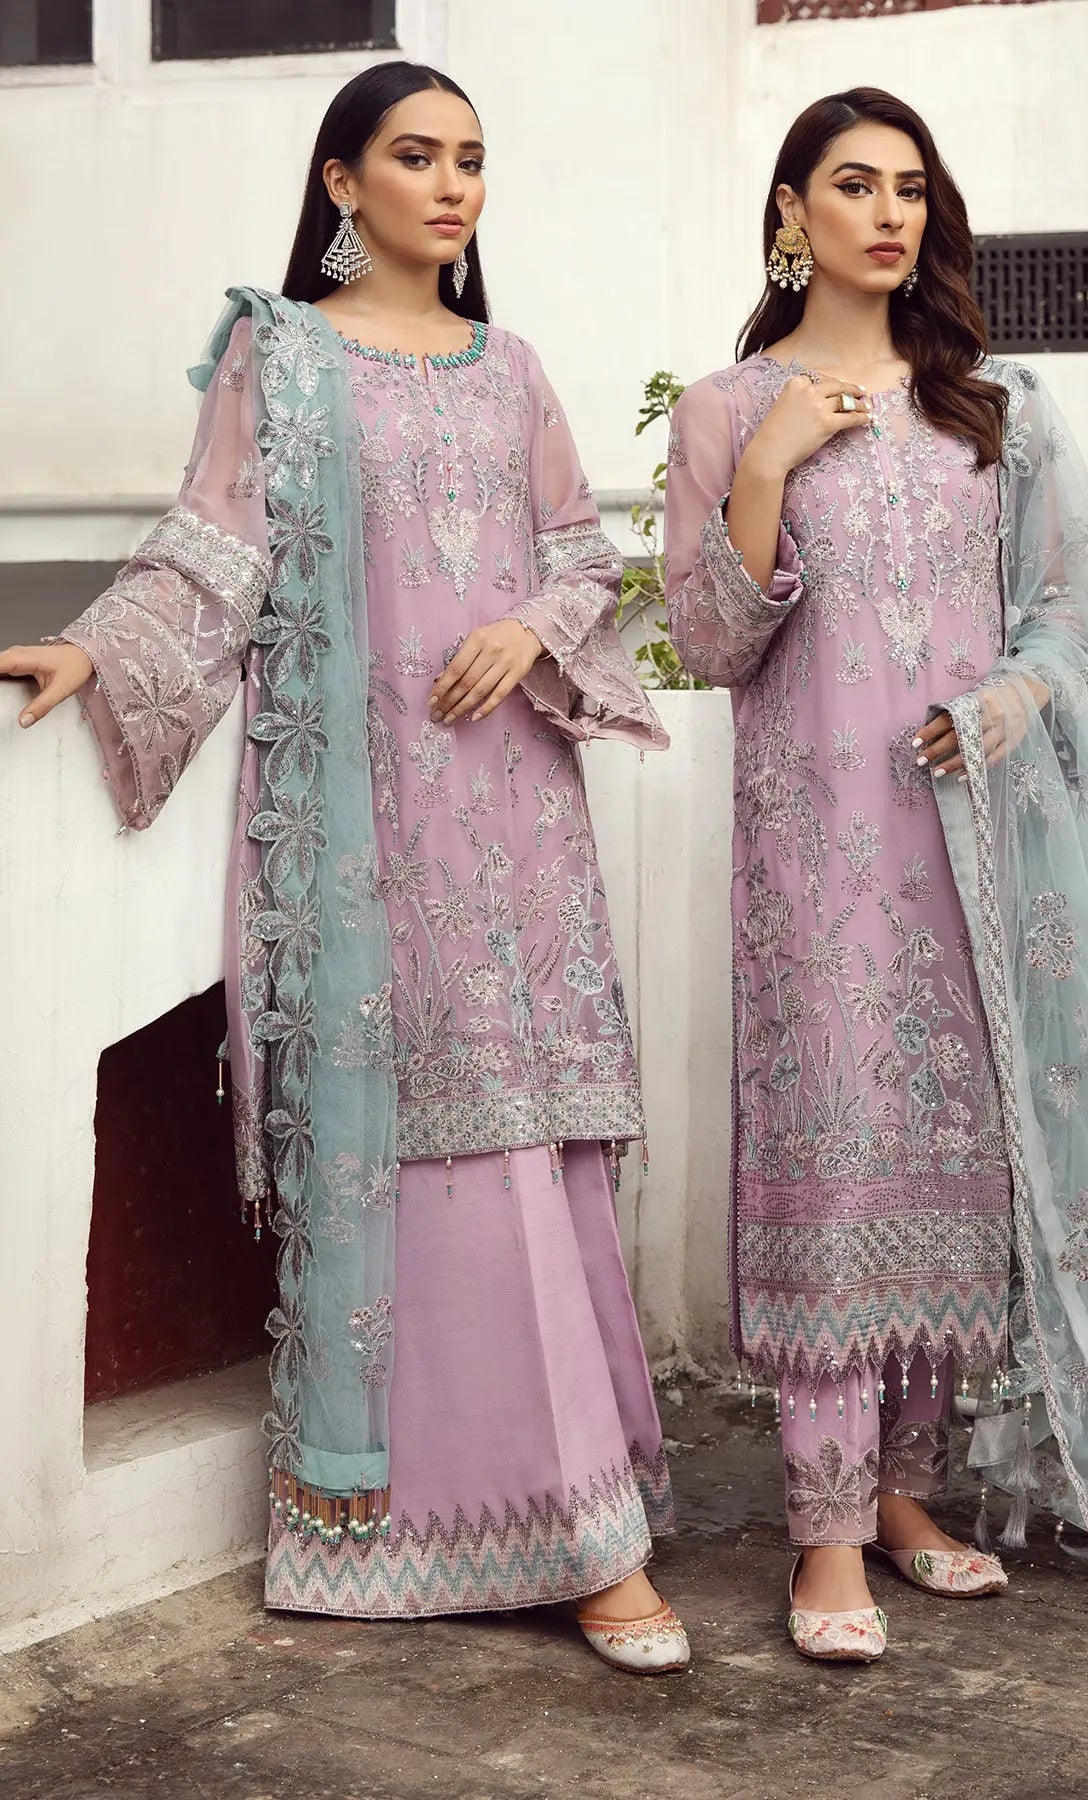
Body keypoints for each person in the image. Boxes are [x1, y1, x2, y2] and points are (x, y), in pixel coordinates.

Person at [0, 61, 689, 1676]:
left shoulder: (511, 369)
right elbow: (212, 549)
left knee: (529, 1136)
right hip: (367, 827)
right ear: (341, 181)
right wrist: (95, 654)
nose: (451, 187)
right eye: (417, 156)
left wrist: (528, 626)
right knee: (426, 1148)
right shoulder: (281, 354)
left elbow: (585, 555)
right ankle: (427, 1532)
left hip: (516, 814)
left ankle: (592, 1527)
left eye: (471, 160)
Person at [664, 86, 1088, 1661]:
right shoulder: (726, 406)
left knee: (955, 1168)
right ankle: (823, 1532)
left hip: (972, 847)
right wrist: (766, 469)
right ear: (792, 212)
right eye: (854, 184)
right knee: (838, 1164)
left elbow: (1064, 623)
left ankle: (907, 1498)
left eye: (910, 187)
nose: (889, 213)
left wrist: (1008, 703)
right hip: (816, 856)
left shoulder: (993, 406)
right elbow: (707, 642)